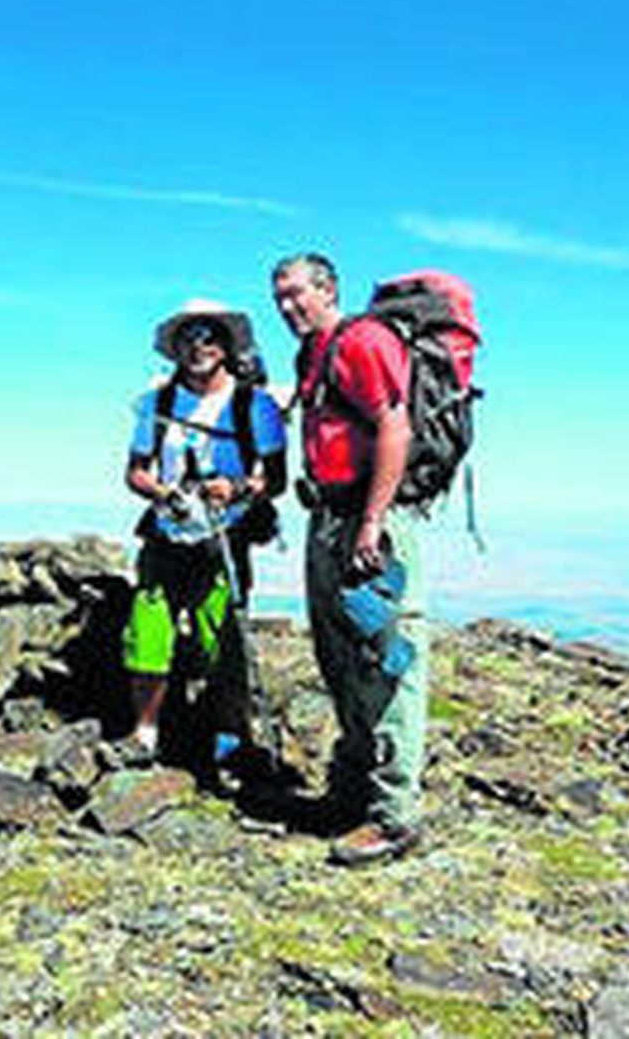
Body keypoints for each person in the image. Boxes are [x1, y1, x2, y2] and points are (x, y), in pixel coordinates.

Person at [272, 252, 428, 866]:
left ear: (328, 289)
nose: (288, 307)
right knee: (339, 659)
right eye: (279, 298)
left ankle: (395, 818)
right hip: (330, 518)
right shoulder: (311, 354)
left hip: (370, 525)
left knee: (388, 666)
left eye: (297, 294)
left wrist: (371, 522)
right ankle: (356, 791)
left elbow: (396, 429)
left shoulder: (362, 341)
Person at [120, 299, 286, 776]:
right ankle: (144, 734)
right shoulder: (157, 402)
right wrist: (161, 492)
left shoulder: (253, 405)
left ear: (228, 345)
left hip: (225, 534)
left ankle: (230, 741)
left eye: (209, 337)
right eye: (188, 338)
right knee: (148, 631)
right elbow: (135, 470)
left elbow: (274, 478)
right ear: (174, 349)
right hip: (167, 533)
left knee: (224, 639)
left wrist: (235, 490)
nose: (199, 346)